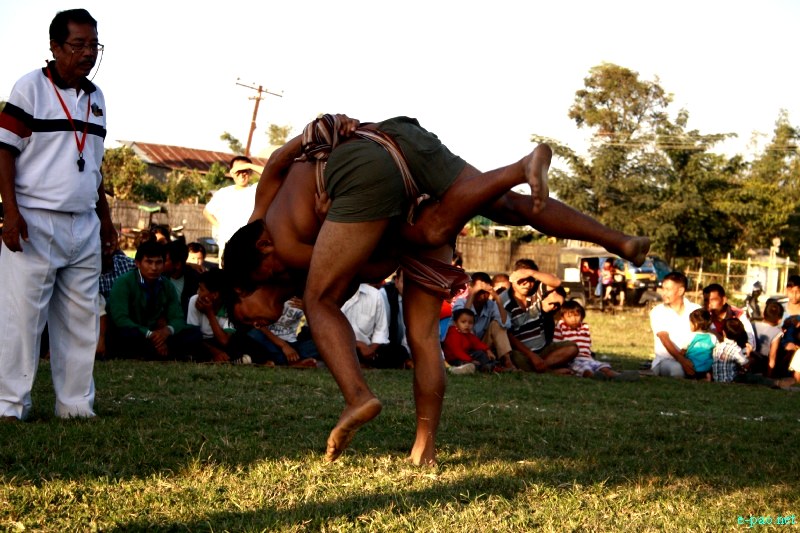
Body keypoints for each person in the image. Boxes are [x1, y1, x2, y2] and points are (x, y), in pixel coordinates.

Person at [227, 114, 650, 465]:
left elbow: (358, 263)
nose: (259, 322)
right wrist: (319, 135)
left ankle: (358, 398)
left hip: (364, 166)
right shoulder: (278, 243)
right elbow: (354, 257)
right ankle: (618, 240)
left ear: (247, 279)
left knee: (331, 299)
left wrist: (317, 135)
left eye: (248, 315)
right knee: (504, 210)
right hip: (403, 143)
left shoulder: (272, 239)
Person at [0, 9, 115, 421]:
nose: (88, 53)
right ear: (54, 46)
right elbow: (4, 152)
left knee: (82, 318)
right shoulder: (30, 88)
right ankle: (10, 405)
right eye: (78, 45)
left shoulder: (97, 98)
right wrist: (10, 214)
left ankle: (75, 405)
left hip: (83, 222)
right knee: (21, 319)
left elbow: (94, 164)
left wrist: (105, 219)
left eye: (94, 45)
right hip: (34, 219)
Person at [106, 240, 205, 361]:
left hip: (157, 334)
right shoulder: (124, 282)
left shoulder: (166, 285)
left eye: (158, 262)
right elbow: (120, 319)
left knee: (195, 333)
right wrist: (150, 334)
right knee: (123, 334)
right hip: (136, 332)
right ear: (137, 263)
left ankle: (150, 352)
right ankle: (159, 352)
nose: (154, 268)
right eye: (149, 262)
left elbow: (177, 318)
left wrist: (166, 331)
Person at [502, 259, 578, 373]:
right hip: (522, 352)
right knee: (516, 359)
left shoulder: (536, 290)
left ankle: (543, 367)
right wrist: (531, 355)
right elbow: (508, 335)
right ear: (514, 278)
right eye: (522, 279)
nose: (527, 284)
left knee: (572, 348)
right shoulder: (504, 300)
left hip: (543, 350)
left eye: (531, 280)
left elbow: (556, 282)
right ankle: (551, 371)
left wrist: (531, 273)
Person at [204, 156, 263, 259]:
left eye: (245, 171)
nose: (242, 174)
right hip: (227, 245)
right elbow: (207, 212)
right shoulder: (223, 193)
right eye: (238, 171)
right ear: (232, 172)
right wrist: (221, 227)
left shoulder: (255, 190)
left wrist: (249, 165)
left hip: (249, 245)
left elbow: (272, 174)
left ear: (250, 172)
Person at [649, 271, 701, 378]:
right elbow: (664, 337)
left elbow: (707, 332)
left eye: (668, 289)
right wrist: (682, 360)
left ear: (680, 291)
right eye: (663, 289)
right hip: (666, 360)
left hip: (693, 358)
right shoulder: (658, 311)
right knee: (677, 370)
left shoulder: (696, 309)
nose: (663, 293)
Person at [553, 300, 620, 379]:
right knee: (585, 370)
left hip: (588, 359)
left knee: (604, 367)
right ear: (563, 318)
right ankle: (595, 376)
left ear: (581, 316)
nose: (574, 319)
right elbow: (556, 346)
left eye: (577, 315)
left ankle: (618, 376)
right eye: (569, 316)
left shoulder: (584, 327)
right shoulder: (561, 326)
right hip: (573, 361)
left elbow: (587, 347)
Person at [247, 296, 320, 367]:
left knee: (320, 343)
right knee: (254, 335)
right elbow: (260, 325)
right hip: (271, 340)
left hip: (296, 342)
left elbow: (317, 326)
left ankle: (288, 361)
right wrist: (284, 346)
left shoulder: (304, 298)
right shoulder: (267, 296)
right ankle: (290, 362)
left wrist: (308, 309)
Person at [341, 283, 391, 369]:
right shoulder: (335, 294)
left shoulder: (375, 295)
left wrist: (370, 349)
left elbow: (381, 331)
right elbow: (331, 332)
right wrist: (358, 344)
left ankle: (364, 362)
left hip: (369, 348)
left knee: (398, 351)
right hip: (342, 344)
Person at [702, 283, 756, 349]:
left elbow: (751, 342)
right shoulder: (702, 316)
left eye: (713, 300)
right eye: (706, 300)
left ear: (724, 300)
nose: (709, 303)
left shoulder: (738, 315)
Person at [164, 239, 201, 318]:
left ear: (177, 264)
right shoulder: (158, 277)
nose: (160, 263)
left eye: (165, 260)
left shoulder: (195, 280)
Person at [711, 318, 750, 383]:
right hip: (731, 381)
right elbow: (746, 364)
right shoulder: (736, 349)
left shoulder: (716, 346)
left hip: (716, 380)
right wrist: (749, 355)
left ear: (723, 332)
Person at [682, 308, 717, 381]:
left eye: (690, 323)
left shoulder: (690, 336)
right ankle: (707, 377)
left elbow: (683, 351)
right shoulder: (712, 337)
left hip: (693, 366)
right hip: (707, 367)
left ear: (695, 324)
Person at [754, 300, 784, 376]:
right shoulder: (777, 332)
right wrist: (769, 376)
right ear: (779, 320)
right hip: (762, 364)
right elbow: (772, 356)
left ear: (763, 314)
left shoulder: (752, 325)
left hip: (749, 360)